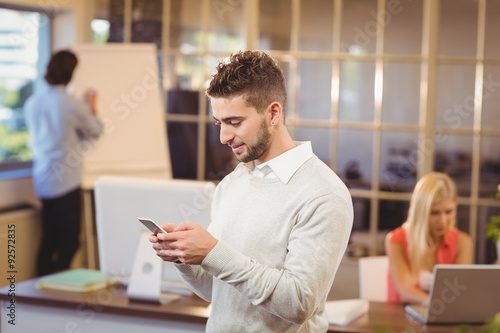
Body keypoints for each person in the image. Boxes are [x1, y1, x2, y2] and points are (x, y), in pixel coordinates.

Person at [150, 50, 353, 332]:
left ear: (273, 113)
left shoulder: (323, 194)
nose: (223, 137)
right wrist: (184, 258)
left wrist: (212, 252)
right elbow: (217, 291)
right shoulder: (233, 183)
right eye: (219, 123)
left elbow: (299, 302)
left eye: (235, 122)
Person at [24, 50, 104, 276]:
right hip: (66, 181)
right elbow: (95, 131)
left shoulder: (33, 102)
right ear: (70, 73)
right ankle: (55, 288)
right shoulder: (71, 105)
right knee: (70, 243)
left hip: (42, 180)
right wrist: (92, 104)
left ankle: (40, 292)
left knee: (49, 239)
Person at [385, 171, 473, 306]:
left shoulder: (463, 242)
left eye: (448, 211)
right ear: (420, 212)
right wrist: (434, 305)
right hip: (401, 319)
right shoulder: (396, 240)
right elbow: (405, 291)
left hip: (442, 318)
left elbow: (458, 289)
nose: (443, 220)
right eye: (434, 213)